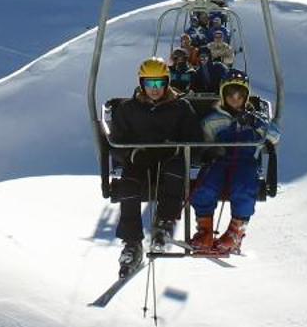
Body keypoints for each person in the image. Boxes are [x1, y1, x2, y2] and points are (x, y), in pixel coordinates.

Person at [105, 59, 201, 275]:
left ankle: (165, 223)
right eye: (150, 84)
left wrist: (182, 150)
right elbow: (116, 141)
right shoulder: (129, 109)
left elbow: (195, 138)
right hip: (140, 161)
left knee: (174, 171)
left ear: (167, 82)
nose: (154, 90)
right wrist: (130, 153)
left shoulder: (180, 107)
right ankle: (132, 243)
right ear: (142, 84)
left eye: (159, 84)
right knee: (127, 187)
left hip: (170, 158)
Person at [189, 79, 278, 256]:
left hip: (245, 161)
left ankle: (235, 232)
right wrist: (210, 152)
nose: (235, 99)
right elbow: (202, 143)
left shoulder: (254, 119)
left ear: (245, 97)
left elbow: (274, 136)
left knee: (244, 187)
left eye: (240, 95)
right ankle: (204, 231)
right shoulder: (213, 120)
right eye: (231, 94)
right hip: (220, 159)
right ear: (224, 96)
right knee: (205, 186)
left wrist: (257, 124)